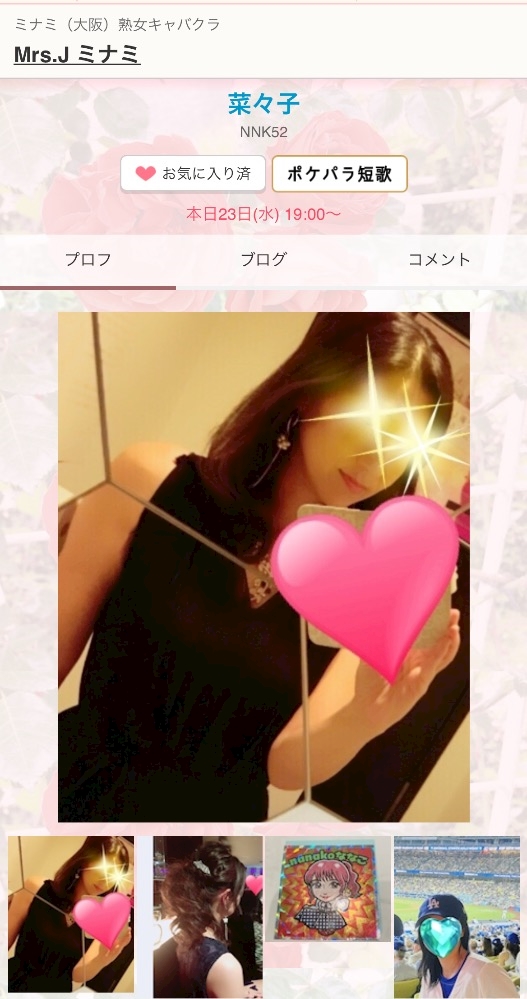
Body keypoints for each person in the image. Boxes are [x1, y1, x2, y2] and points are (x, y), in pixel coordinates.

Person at [58, 312, 462, 822]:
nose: (375, 459)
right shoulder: (147, 483)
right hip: (77, 793)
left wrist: (365, 716)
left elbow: (284, 767)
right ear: (309, 392)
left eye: (404, 444)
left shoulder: (366, 587)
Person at [8, 837, 132, 993]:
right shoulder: (35, 888)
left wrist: (103, 959)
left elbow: (77, 975)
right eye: (103, 868)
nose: (104, 880)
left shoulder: (101, 920)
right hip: (13, 983)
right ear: (85, 860)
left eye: (113, 876)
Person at [153, 841, 246, 999]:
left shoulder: (177, 939)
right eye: (239, 893)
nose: (239, 900)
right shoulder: (225, 966)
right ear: (227, 897)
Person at [416, 894, 518, 997]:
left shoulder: (488, 972)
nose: (437, 933)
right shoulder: (429, 976)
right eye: (428, 927)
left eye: (446, 925)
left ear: (462, 930)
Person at [294, 858, 360, 935]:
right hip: (313, 916)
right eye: (317, 885)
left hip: (334, 918)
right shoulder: (307, 913)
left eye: (334, 885)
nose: (325, 891)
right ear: (310, 886)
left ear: (344, 886)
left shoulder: (340, 904)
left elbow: (344, 907)